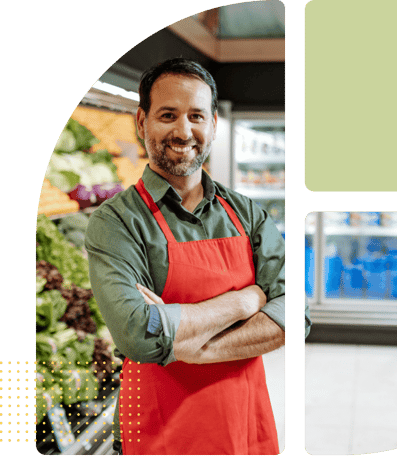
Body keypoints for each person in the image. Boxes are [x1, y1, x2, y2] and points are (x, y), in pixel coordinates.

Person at [85, 58, 286, 455]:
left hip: (244, 424)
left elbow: (292, 317)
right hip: (162, 431)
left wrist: (188, 343)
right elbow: (139, 334)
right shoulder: (116, 223)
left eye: (196, 115)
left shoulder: (248, 214)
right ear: (141, 122)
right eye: (167, 115)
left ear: (212, 123)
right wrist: (245, 300)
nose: (183, 131)